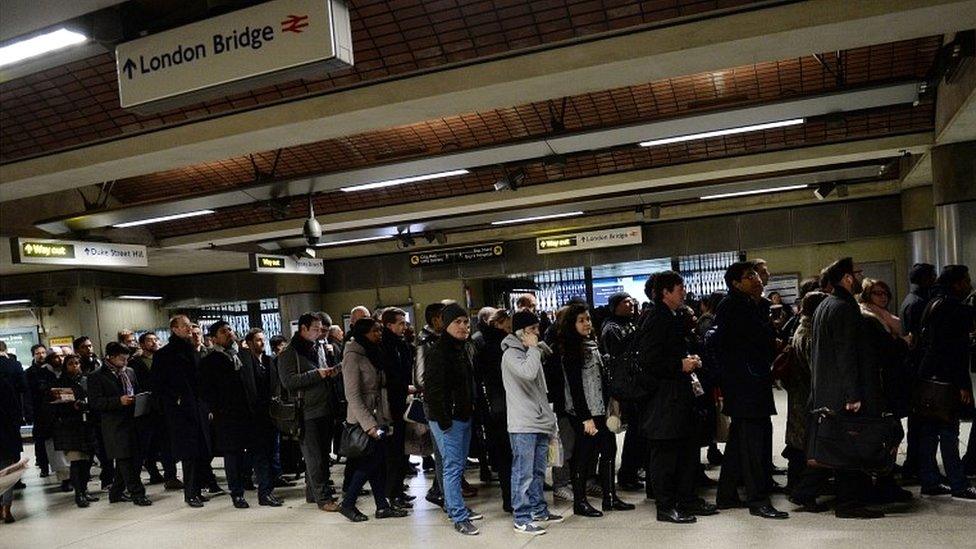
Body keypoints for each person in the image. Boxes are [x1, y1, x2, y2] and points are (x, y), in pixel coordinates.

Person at [808, 257, 889, 518]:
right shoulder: (844, 307)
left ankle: (847, 498)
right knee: (852, 446)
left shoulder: (825, 305)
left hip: (829, 390)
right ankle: (849, 504)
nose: (860, 276)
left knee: (840, 445)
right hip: (845, 392)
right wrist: (853, 393)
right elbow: (846, 353)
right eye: (857, 273)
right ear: (846, 278)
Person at [639, 271, 718, 524]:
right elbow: (648, 360)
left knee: (685, 450)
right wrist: (679, 364)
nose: (684, 291)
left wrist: (690, 360)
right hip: (664, 398)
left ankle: (686, 499)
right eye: (679, 287)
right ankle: (665, 506)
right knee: (666, 453)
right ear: (665, 292)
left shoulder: (673, 316)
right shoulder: (656, 319)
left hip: (680, 395)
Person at [714, 261, 787, 519]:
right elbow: (752, 343)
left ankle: (726, 494)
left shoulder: (750, 305)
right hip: (745, 384)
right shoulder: (735, 307)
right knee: (754, 445)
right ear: (736, 283)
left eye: (755, 274)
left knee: (737, 443)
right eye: (749, 276)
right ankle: (758, 500)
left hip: (749, 383)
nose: (756, 278)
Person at [559, 302, 633, 518]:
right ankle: (579, 502)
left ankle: (610, 497)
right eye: (581, 320)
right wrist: (585, 418)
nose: (586, 324)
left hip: (601, 409)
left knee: (609, 449)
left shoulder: (592, 344)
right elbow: (575, 389)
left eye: (588, 319)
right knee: (584, 455)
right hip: (584, 413)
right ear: (571, 324)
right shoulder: (571, 349)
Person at [200, 322, 281, 509]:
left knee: (260, 455)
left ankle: (265, 493)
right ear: (213, 338)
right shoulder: (210, 361)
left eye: (230, 330)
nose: (229, 333)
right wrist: (217, 411)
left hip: (253, 415)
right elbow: (206, 391)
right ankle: (237, 494)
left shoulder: (245, 355)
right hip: (228, 417)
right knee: (233, 457)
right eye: (223, 332)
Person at [339, 318, 408, 521]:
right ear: (363, 333)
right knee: (371, 461)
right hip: (363, 420)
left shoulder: (373, 352)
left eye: (379, 329)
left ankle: (382, 506)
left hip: (379, 416)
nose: (379, 333)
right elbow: (352, 395)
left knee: (378, 462)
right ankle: (348, 503)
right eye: (375, 330)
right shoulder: (352, 355)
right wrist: (369, 425)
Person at [916, 265, 976, 501]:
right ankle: (958, 484)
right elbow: (955, 351)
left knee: (929, 431)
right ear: (957, 283)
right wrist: (962, 385)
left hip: (927, 375)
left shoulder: (933, 302)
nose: (969, 284)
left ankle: (930, 480)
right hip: (946, 378)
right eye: (967, 280)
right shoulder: (954, 308)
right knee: (949, 431)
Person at [501, 310, 562, 535]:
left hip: (539, 420)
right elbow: (527, 373)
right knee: (523, 472)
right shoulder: (511, 355)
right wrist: (535, 349)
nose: (538, 333)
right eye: (533, 330)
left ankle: (538, 509)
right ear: (521, 332)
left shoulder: (531, 351)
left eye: (538, 328)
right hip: (522, 423)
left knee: (537, 471)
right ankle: (521, 517)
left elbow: (542, 388)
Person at [425, 303, 482, 535]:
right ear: (446, 325)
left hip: (463, 415)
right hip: (448, 420)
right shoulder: (438, 352)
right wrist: (445, 421)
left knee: (457, 467)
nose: (463, 326)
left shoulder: (462, 348)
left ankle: (454, 506)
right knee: (452, 467)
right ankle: (458, 517)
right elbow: (433, 392)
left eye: (466, 322)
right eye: (457, 322)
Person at [278, 313, 342, 512]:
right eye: (315, 328)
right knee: (315, 457)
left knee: (322, 455)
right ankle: (324, 499)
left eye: (321, 329)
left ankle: (313, 493)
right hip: (306, 411)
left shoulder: (320, 346)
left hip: (325, 407)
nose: (319, 332)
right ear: (303, 329)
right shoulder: (289, 353)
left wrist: (332, 371)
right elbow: (288, 382)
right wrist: (317, 374)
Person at [153, 315, 212, 507]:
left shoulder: (192, 350)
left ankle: (198, 488)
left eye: (190, 326)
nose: (189, 329)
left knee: (201, 451)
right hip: (180, 412)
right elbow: (159, 385)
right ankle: (190, 493)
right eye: (185, 326)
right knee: (189, 453)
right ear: (174, 329)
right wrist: (174, 401)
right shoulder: (165, 354)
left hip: (197, 407)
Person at [87, 342, 152, 506]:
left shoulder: (129, 372)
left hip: (133, 420)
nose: (125, 362)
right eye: (122, 359)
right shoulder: (96, 376)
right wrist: (118, 401)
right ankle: (137, 493)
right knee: (125, 459)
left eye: (127, 359)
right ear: (111, 357)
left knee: (135, 459)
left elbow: (136, 390)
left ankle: (116, 492)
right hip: (114, 424)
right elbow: (95, 403)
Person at [783, 291, 828, 509]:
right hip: (806, 397)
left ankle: (796, 487)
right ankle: (802, 492)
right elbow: (816, 369)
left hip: (799, 396)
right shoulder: (811, 334)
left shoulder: (802, 329)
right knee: (808, 445)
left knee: (799, 444)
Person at [599, 292, 644, 492]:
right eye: (625, 302)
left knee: (637, 431)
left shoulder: (629, 323)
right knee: (632, 430)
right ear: (615, 306)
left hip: (633, 384)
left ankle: (632, 470)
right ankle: (627, 472)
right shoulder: (611, 328)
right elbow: (618, 351)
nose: (631, 304)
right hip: (623, 386)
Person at [472, 308, 515, 513]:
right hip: (504, 406)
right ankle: (513, 497)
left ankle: (510, 497)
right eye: (507, 325)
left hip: (494, 407)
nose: (510, 329)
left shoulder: (482, 344)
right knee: (511, 454)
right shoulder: (501, 346)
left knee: (505, 455)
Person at [899, 262, 938, 481]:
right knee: (922, 422)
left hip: (914, 367)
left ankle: (914, 464)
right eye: (932, 275)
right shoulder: (919, 303)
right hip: (919, 368)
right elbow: (920, 340)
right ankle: (917, 465)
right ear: (925, 279)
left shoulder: (911, 300)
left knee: (918, 421)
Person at [377, 308, 415, 509]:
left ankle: (399, 489)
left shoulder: (401, 344)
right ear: (389, 325)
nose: (404, 326)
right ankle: (392, 492)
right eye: (400, 323)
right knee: (394, 453)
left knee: (403, 451)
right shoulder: (385, 346)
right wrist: (404, 387)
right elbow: (389, 378)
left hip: (403, 401)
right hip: (392, 405)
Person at [51, 354, 98, 507]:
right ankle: (79, 494)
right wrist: (73, 406)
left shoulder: (87, 380)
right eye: (71, 363)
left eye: (77, 363)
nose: (75, 366)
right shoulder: (60, 383)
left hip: (87, 425)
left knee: (87, 461)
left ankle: (84, 490)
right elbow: (55, 406)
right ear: (65, 366)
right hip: (70, 427)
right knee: (77, 461)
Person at [25, 344, 51, 478]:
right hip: (38, 410)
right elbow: (27, 394)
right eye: (38, 353)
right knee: (40, 441)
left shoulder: (50, 371)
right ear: (33, 355)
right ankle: (43, 466)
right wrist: (28, 412)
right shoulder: (29, 373)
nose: (41, 355)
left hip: (51, 410)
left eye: (43, 352)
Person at [1, 374, 23, 523]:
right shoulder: (4, 383)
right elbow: (15, 410)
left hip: (7, 434)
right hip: (6, 434)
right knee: (8, 473)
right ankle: (7, 509)